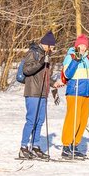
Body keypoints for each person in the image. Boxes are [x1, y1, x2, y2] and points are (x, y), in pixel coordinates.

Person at [60, 34, 89, 159]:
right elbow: (67, 74)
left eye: (85, 45)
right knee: (73, 119)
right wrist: (75, 61)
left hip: (86, 92)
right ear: (76, 45)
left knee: (82, 121)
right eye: (81, 45)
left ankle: (74, 144)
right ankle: (66, 145)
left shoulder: (88, 58)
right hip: (75, 91)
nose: (83, 48)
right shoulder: (70, 56)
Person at [19, 31, 57, 159]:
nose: (53, 49)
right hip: (33, 91)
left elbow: (44, 76)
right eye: (52, 46)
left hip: (43, 92)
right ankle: (23, 146)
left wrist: (53, 84)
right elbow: (27, 70)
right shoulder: (33, 53)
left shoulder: (45, 56)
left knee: (40, 120)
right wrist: (41, 62)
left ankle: (35, 145)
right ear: (46, 44)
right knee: (31, 120)